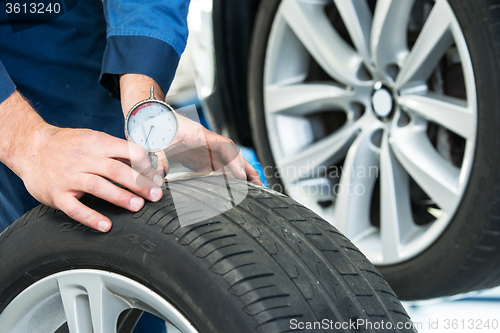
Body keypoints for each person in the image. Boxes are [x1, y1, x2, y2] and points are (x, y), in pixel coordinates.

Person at [0, 0, 261, 331]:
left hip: (58, 29)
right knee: (35, 261)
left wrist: (145, 106)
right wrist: (29, 143)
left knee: (121, 231)